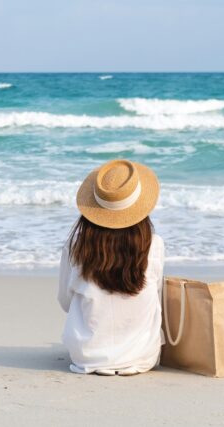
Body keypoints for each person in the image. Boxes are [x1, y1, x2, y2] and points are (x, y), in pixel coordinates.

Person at [58, 159, 165, 375]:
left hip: (86, 356)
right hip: (141, 355)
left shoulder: (75, 246)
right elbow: (157, 296)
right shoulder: (154, 245)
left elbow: (65, 302)